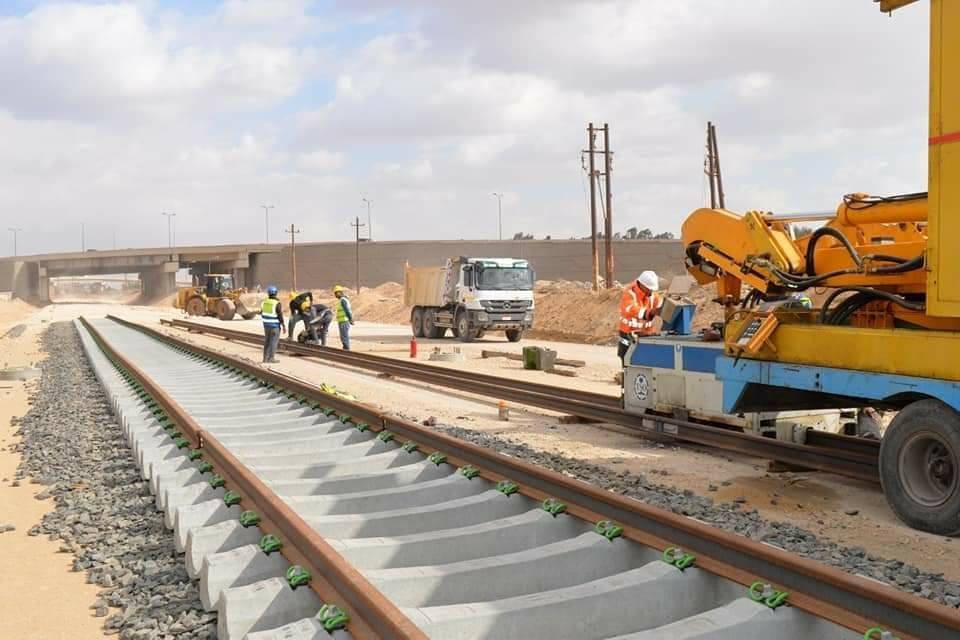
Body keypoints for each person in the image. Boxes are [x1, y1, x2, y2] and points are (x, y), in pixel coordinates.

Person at [618, 270, 663, 363]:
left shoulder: (653, 295)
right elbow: (631, 309)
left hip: (646, 334)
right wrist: (649, 312)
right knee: (627, 359)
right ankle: (625, 374)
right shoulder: (629, 293)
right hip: (628, 333)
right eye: (649, 289)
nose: (651, 291)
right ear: (641, 284)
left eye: (652, 289)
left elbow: (660, 306)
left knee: (646, 360)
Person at [260, 286, 285, 363]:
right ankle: (271, 358)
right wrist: (283, 325)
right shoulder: (277, 303)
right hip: (274, 326)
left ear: (268, 294)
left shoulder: (264, 302)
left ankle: (265, 358)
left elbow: (261, 312)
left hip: (266, 325)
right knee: (273, 342)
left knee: (267, 341)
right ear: (276, 293)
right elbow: (280, 315)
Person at [333, 285, 354, 350]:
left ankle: (346, 349)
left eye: (336, 293)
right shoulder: (342, 300)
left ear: (339, 292)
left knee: (344, 336)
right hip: (342, 321)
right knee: (343, 336)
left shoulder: (343, 300)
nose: (335, 295)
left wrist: (350, 319)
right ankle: (345, 348)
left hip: (344, 321)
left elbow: (346, 310)